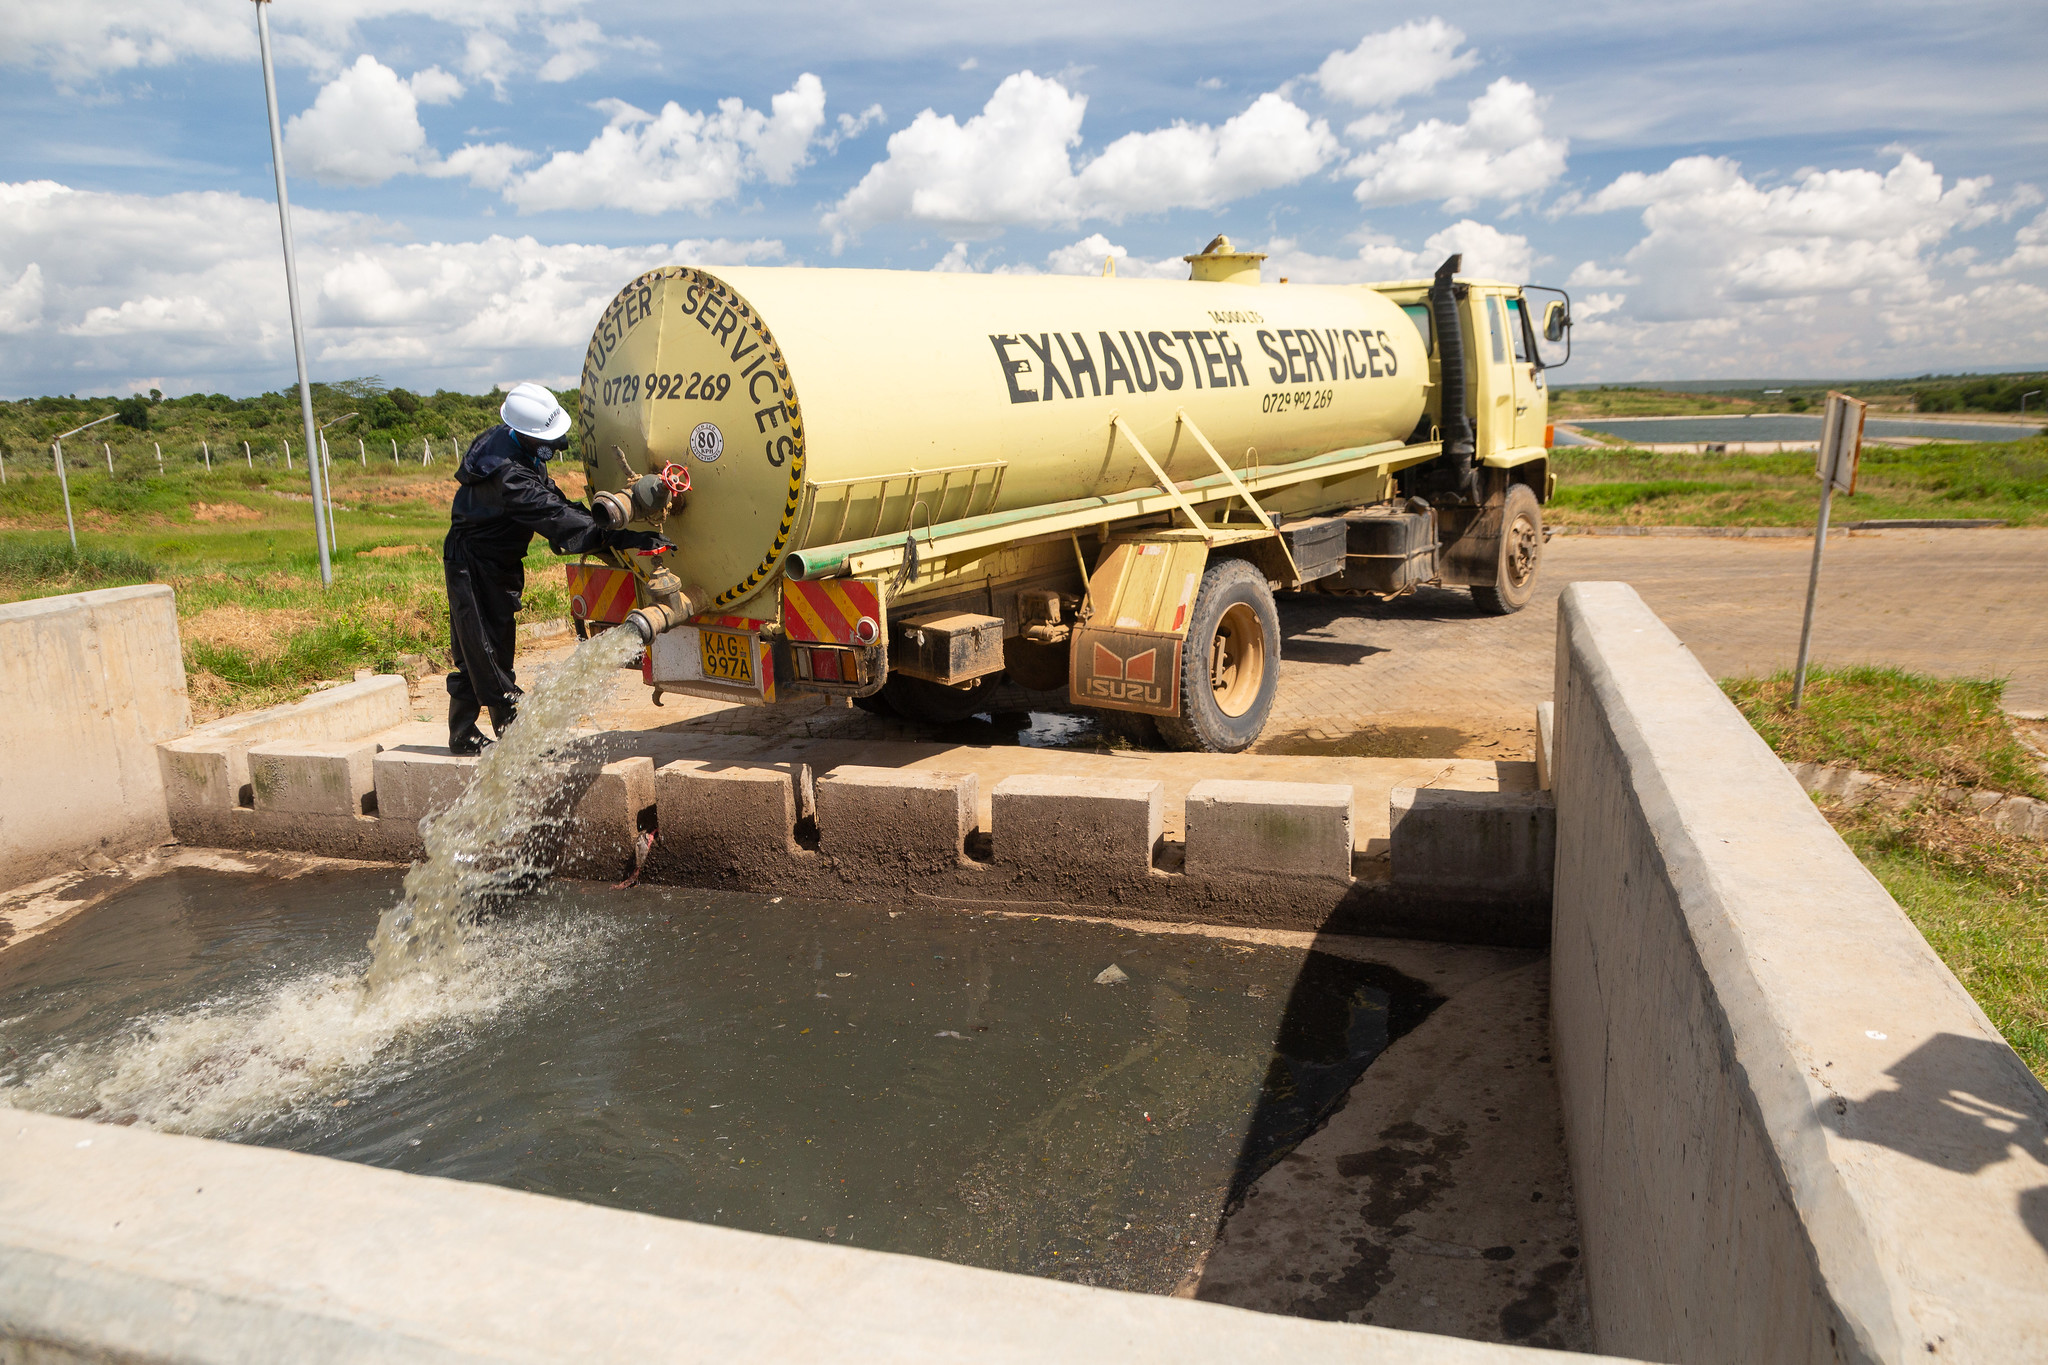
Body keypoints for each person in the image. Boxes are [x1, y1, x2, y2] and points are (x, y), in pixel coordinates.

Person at [442, 382, 670, 754]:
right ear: (526, 434)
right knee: (485, 648)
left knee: (480, 646)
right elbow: (556, 519)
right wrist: (626, 539)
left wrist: (599, 526)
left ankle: (463, 732)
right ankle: (517, 741)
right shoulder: (510, 478)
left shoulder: (510, 440)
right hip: (474, 564)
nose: (554, 445)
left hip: (494, 558)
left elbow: (554, 503)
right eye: (547, 439)